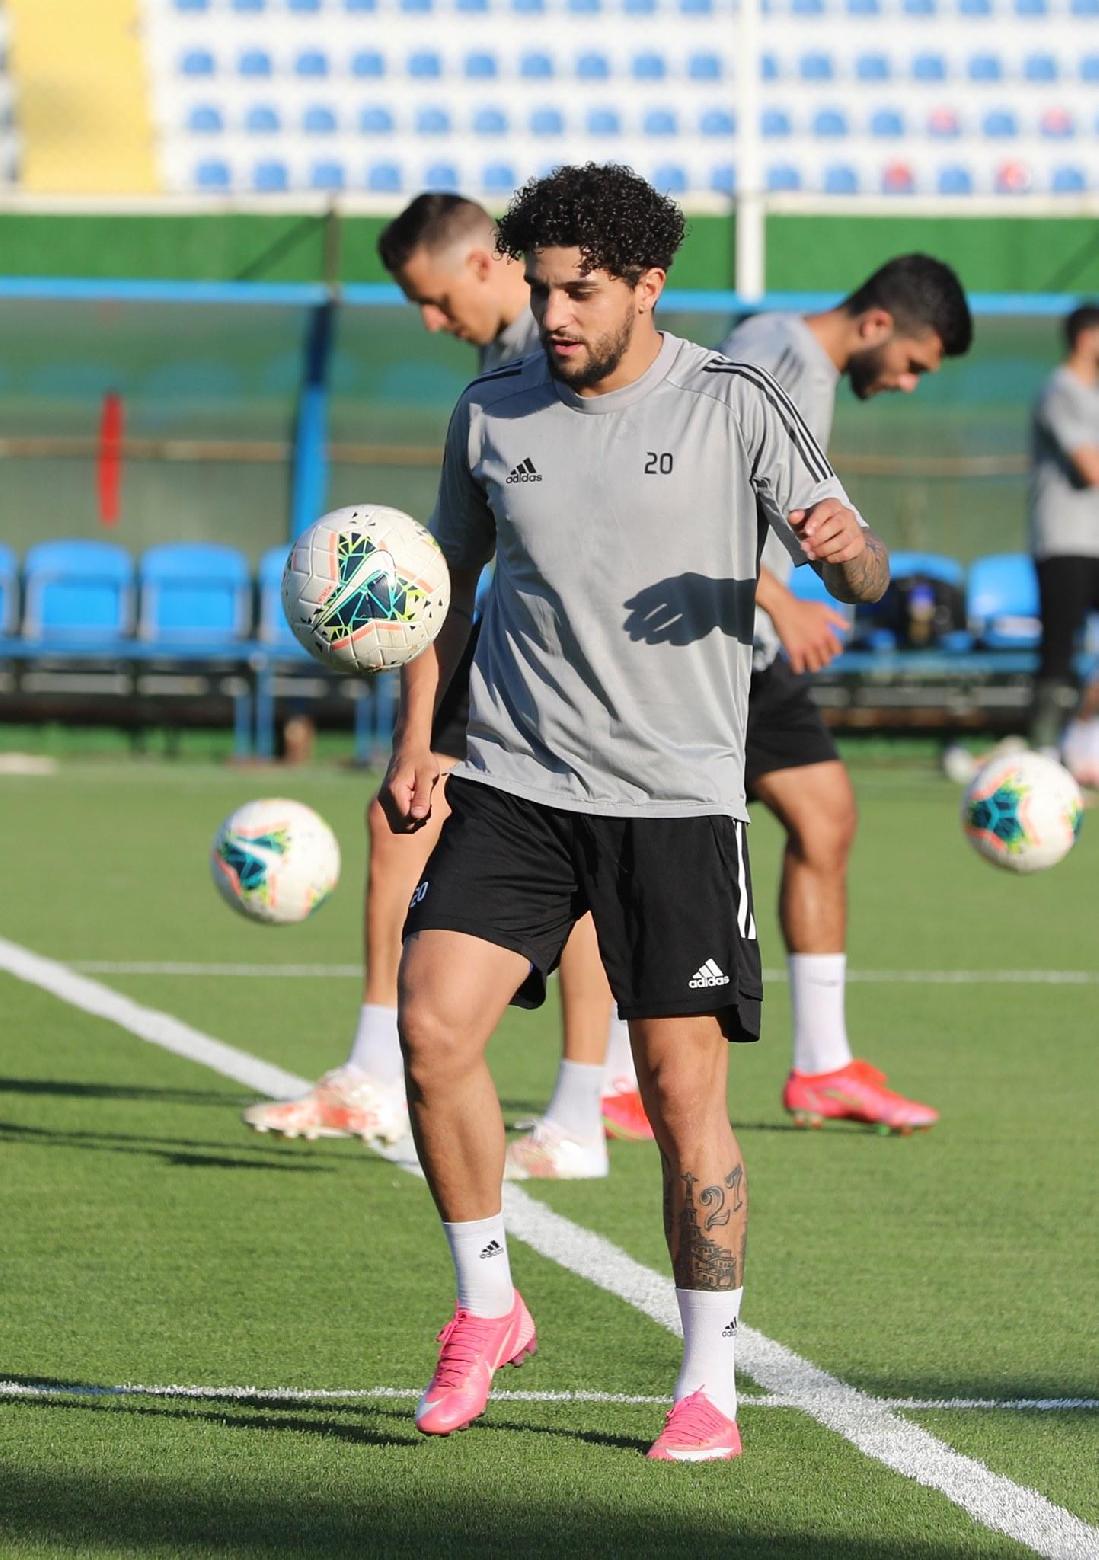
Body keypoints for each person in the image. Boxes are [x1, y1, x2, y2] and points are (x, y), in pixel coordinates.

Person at [383, 163, 889, 1459]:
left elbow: (861, 564)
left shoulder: (735, 402)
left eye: (581, 292)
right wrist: (417, 742)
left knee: (676, 1093)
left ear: (646, 285)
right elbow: (442, 592)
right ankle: (485, 1309)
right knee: (432, 1029)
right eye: (541, 289)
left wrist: (846, 555)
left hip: (675, 803)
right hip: (514, 783)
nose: (551, 315)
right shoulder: (489, 409)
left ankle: (707, 1381)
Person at [242, 192, 650, 1163]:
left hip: (562, 651)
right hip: (518, 634)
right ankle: (559, 1099)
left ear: (481, 264)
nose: (429, 322)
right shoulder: (506, 363)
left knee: (512, 833)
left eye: (432, 299)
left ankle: (533, 1100)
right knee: (440, 825)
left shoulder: (547, 358)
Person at [717, 255, 972, 1133]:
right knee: (634, 857)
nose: (905, 384)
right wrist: (781, 602)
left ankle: (822, 1066)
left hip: (751, 653)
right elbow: (688, 498)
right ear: (875, 325)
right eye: (912, 364)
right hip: (710, 652)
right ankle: (599, 1082)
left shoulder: (786, 352)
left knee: (825, 818)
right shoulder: (779, 359)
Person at [1027, 302, 1099, 757]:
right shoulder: (1061, 391)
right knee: (1059, 650)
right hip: (1065, 541)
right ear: (1087, 338)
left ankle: (1082, 741)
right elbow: (1090, 467)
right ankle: (1043, 750)